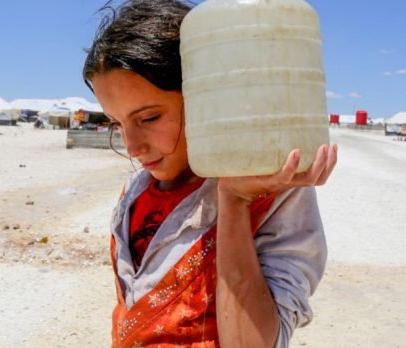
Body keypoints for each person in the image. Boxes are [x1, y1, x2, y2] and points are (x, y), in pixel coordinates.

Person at [82, 1, 338, 347]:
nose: (133, 147)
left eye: (149, 118)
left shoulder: (275, 197)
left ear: (208, 99)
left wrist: (234, 200)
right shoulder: (135, 192)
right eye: (117, 123)